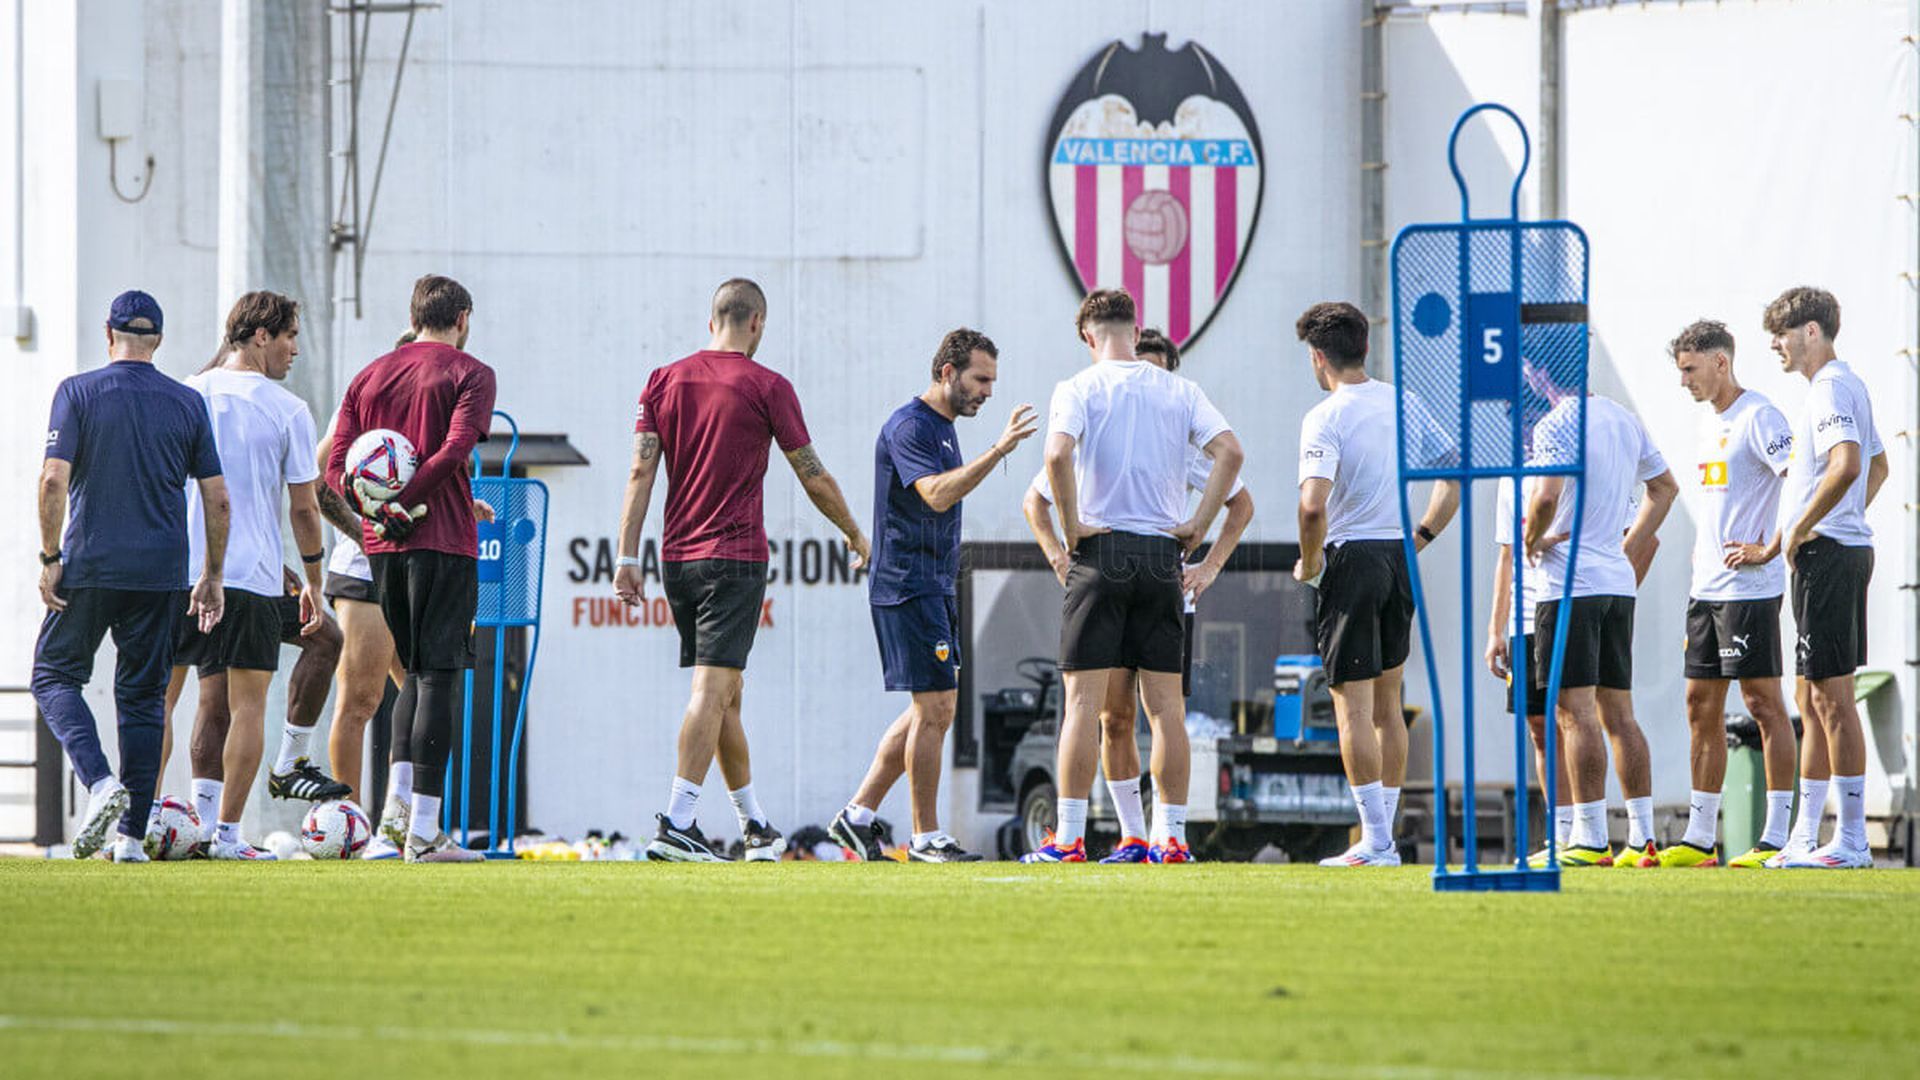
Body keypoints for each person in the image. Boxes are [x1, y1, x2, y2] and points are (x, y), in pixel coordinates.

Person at [615, 278, 870, 862]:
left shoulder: (662, 380)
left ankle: (755, 827)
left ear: (713, 322)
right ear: (756, 323)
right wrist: (854, 532)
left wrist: (628, 556)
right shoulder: (768, 386)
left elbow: (639, 473)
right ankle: (677, 821)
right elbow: (813, 473)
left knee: (727, 692)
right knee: (713, 689)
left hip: (677, 559)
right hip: (733, 559)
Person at [1020, 289, 1243, 864]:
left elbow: (1056, 456)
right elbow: (1231, 454)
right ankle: (1172, 837)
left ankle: (1068, 838)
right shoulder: (1180, 389)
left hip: (1103, 550)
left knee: (1081, 706)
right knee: (1167, 710)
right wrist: (1197, 524)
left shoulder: (1080, 387)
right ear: (1134, 326)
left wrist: (1072, 529)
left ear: (1088, 336)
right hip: (1162, 556)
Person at [32, 290, 228, 862]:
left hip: (90, 564)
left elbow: (51, 480)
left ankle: (99, 783)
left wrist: (49, 557)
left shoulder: (78, 392)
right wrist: (212, 573)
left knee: (53, 676)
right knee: (143, 699)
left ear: (107, 332)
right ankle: (131, 840)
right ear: (159, 340)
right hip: (162, 572)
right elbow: (217, 498)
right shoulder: (187, 402)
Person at [828, 328, 1037, 863]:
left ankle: (858, 816)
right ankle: (925, 837)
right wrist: (1000, 449)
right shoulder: (911, 426)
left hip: (934, 583)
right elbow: (937, 495)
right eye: (980, 378)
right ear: (948, 372)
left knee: (933, 708)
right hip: (908, 584)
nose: (988, 391)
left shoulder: (943, 427)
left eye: (992, 380)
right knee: (936, 706)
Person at [160, 293, 343, 860]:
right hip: (252, 577)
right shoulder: (287, 407)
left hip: (178, 573)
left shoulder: (184, 393)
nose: (295, 349)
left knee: (163, 702)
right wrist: (313, 579)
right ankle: (226, 836)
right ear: (261, 335)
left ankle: (139, 822)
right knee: (245, 707)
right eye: (290, 335)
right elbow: (305, 509)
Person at [327, 274, 497, 863]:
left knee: (414, 676)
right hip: (444, 541)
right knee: (438, 676)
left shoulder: (369, 375)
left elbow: (334, 471)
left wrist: (373, 506)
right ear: (463, 318)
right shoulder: (470, 372)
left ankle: (390, 830)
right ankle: (423, 831)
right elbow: (452, 449)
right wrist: (407, 500)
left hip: (383, 547)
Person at [1292, 301, 1460, 868]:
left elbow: (1312, 507)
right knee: (1390, 703)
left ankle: (1375, 841)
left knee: (1353, 708)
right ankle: (1381, 839)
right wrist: (1423, 535)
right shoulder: (1405, 401)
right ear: (1364, 346)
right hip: (1397, 555)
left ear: (1319, 358)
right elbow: (1453, 472)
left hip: (1352, 557)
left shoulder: (1326, 416)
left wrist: (1310, 564)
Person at [1653, 320, 1797, 869]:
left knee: (1762, 703)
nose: (1684, 380)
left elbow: (1799, 481)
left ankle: (1777, 837)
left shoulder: (1759, 416)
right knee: (1699, 705)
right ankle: (1698, 838)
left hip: (1750, 588)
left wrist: (1770, 547)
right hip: (1706, 589)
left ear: (1721, 362)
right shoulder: (1707, 424)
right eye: (1680, 370)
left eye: (1691, 369)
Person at [1523, 368, 1678, 868]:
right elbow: (1665, 488)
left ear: (1542, 372)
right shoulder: (1623, 418)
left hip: (1569, 584)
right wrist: (1625, 548)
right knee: (1620, 715)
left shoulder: (1555, 424)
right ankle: (1642, 837)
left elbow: (1544, 498)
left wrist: (1532, 540)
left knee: (1574, 713)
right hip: (1614, 582)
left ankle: (1589, 838)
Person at [1765, 287, 1888, 869]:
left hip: (1831, 557)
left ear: (1811, 331)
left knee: (1834, 700)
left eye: (1782, 333)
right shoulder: (1840, 387)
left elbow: (1849, 464)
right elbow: (1878, 465)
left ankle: (1855, 841)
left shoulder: (1833, 386)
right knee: (1811, 698)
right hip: (1829, 554)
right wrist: (1829, 521)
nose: (1775, 345)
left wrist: (1809, 526)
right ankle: (1804, 838)